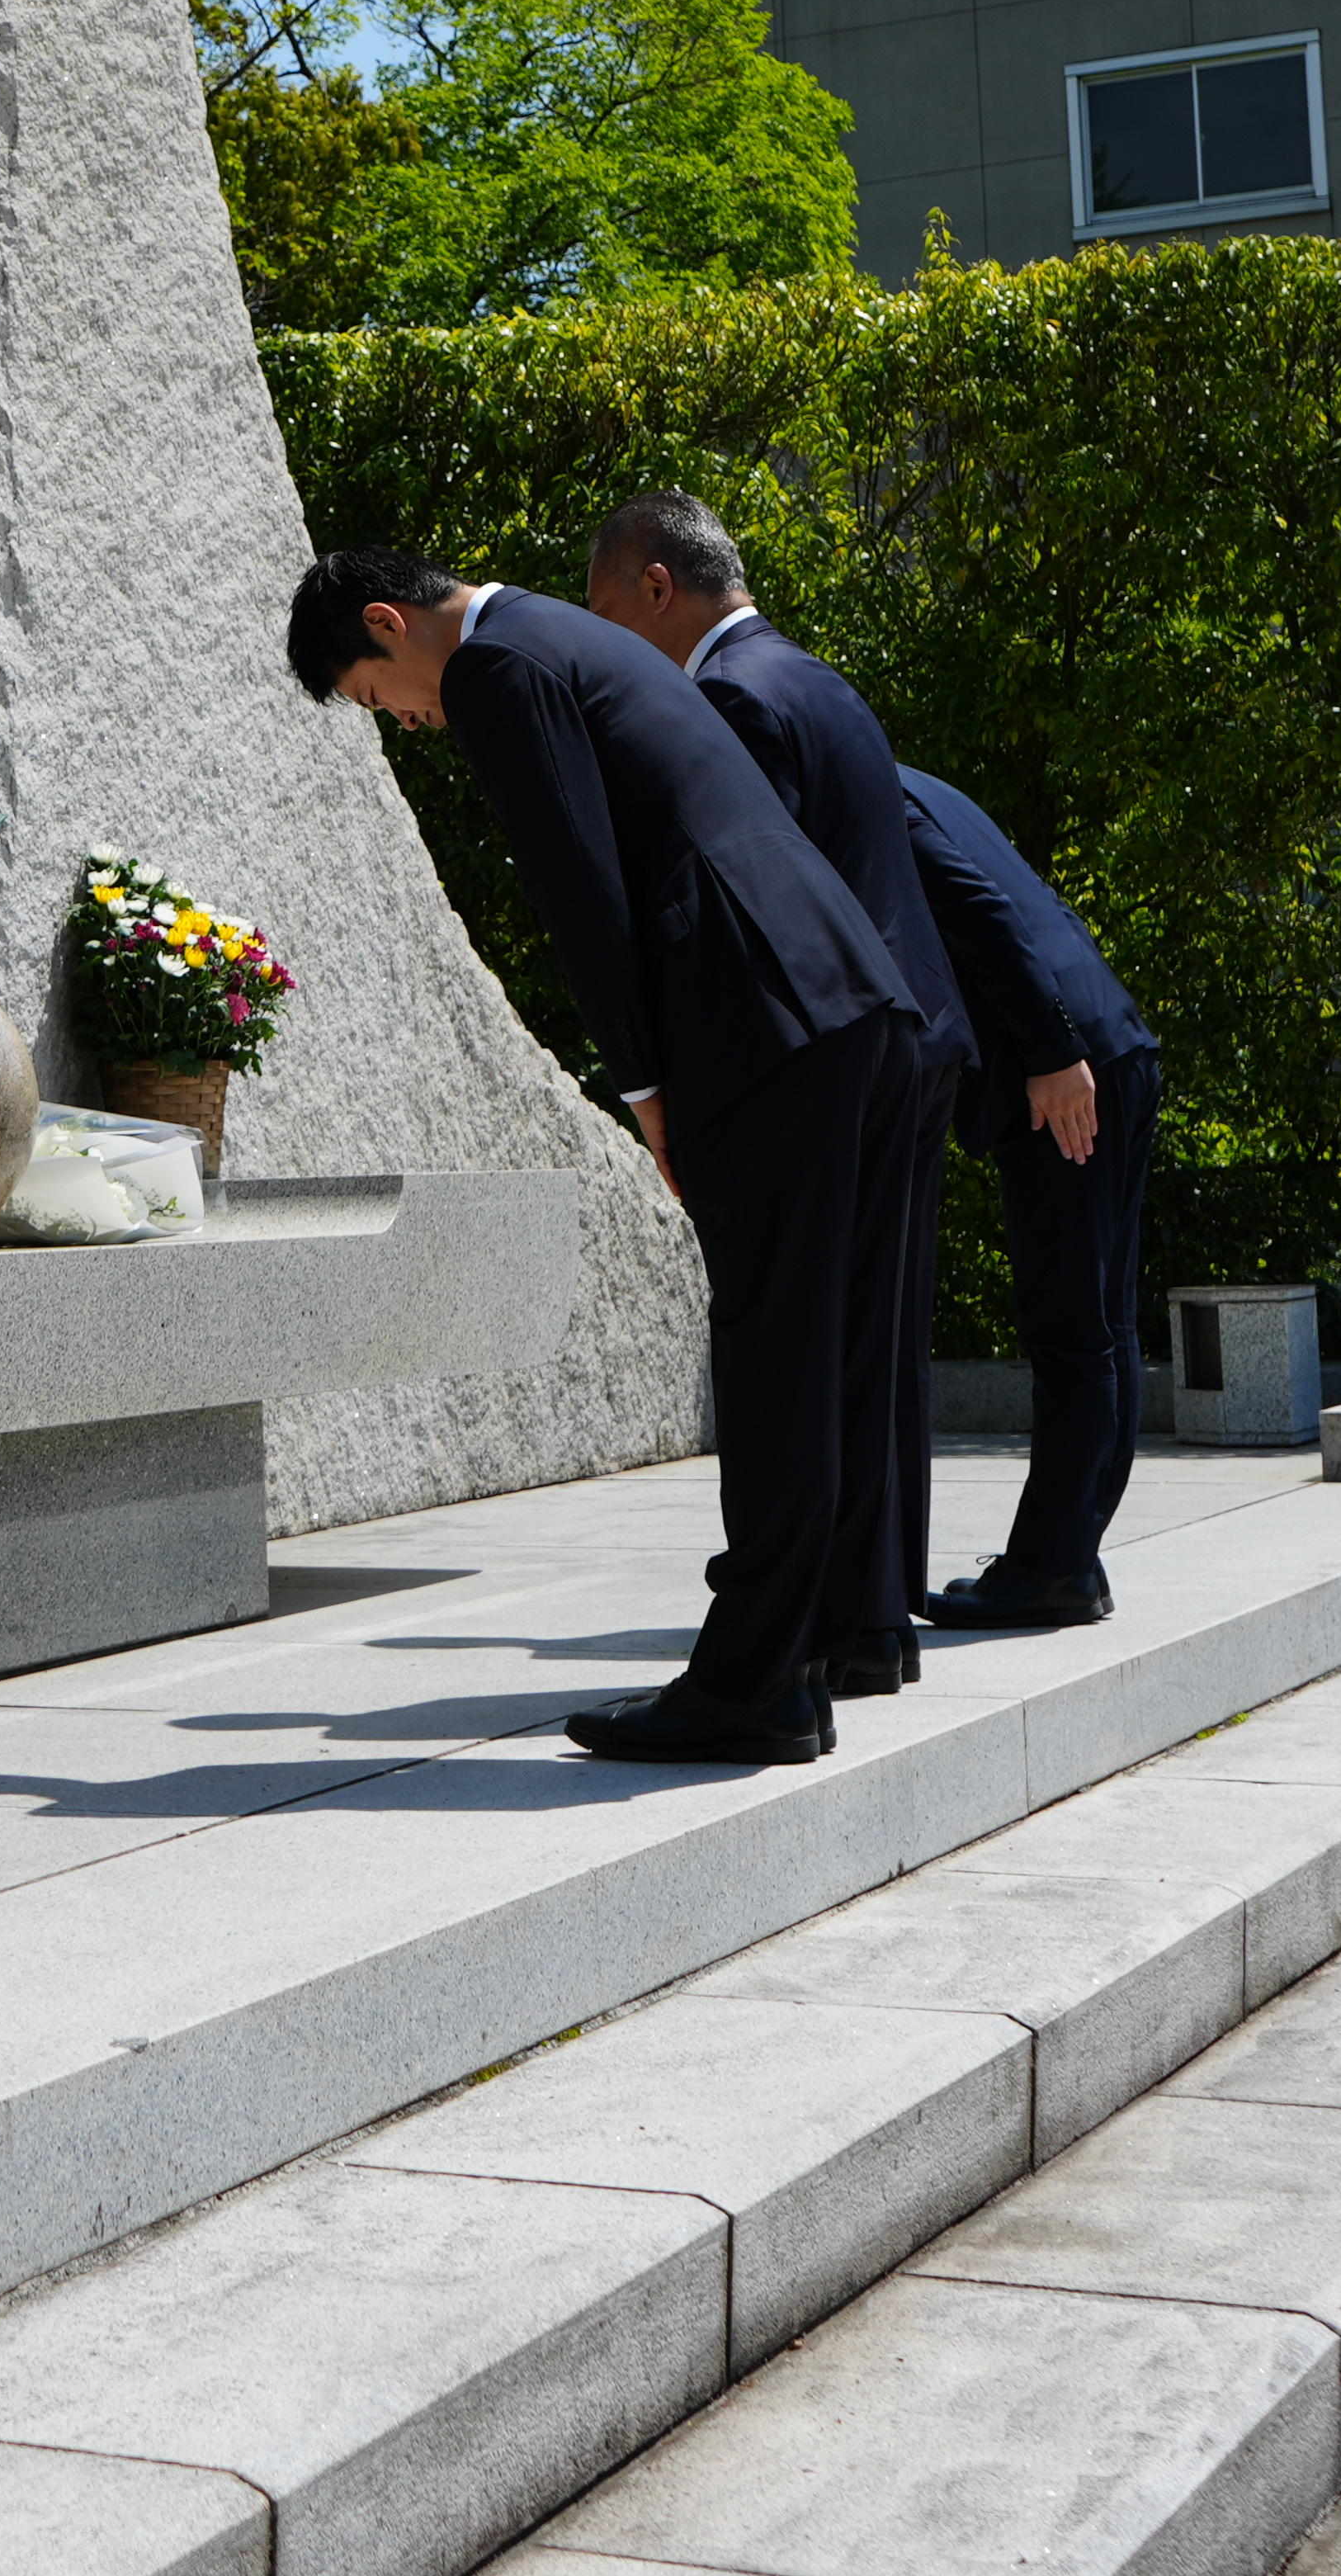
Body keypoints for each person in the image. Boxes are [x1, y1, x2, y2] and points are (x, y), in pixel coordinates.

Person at [290, 545, 927, 1766]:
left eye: (381, 697)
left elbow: (580, 887)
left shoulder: (493, 668)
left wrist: (645, 1087)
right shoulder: (579, 638)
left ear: (390, 624)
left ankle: (754, 1685)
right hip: (853, 1000)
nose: (411, 722)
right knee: (834, 1344)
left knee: (770, 1350)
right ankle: (826, 1644)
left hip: (762, 1020)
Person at [576, 491, 967, 1694]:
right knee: (871, 1346)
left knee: (806, 1346)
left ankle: (821, 1624)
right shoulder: (818, 678)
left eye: (605, 614)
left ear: (655, 586)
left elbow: (743, 900)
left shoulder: (730, 699)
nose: (610, 649)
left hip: (826, 1043)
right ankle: (870, 1617)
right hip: (910, 1028)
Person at [894, 759, 1163, 1628]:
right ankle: (1069, 1555)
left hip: (1066, 1068)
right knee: (1102, 1322)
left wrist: (1050, 1052)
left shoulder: (870, 798)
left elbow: (981, 912)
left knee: (1073, 1328)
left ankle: (1054, 1566)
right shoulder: (920, 786)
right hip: (1109, 1044)